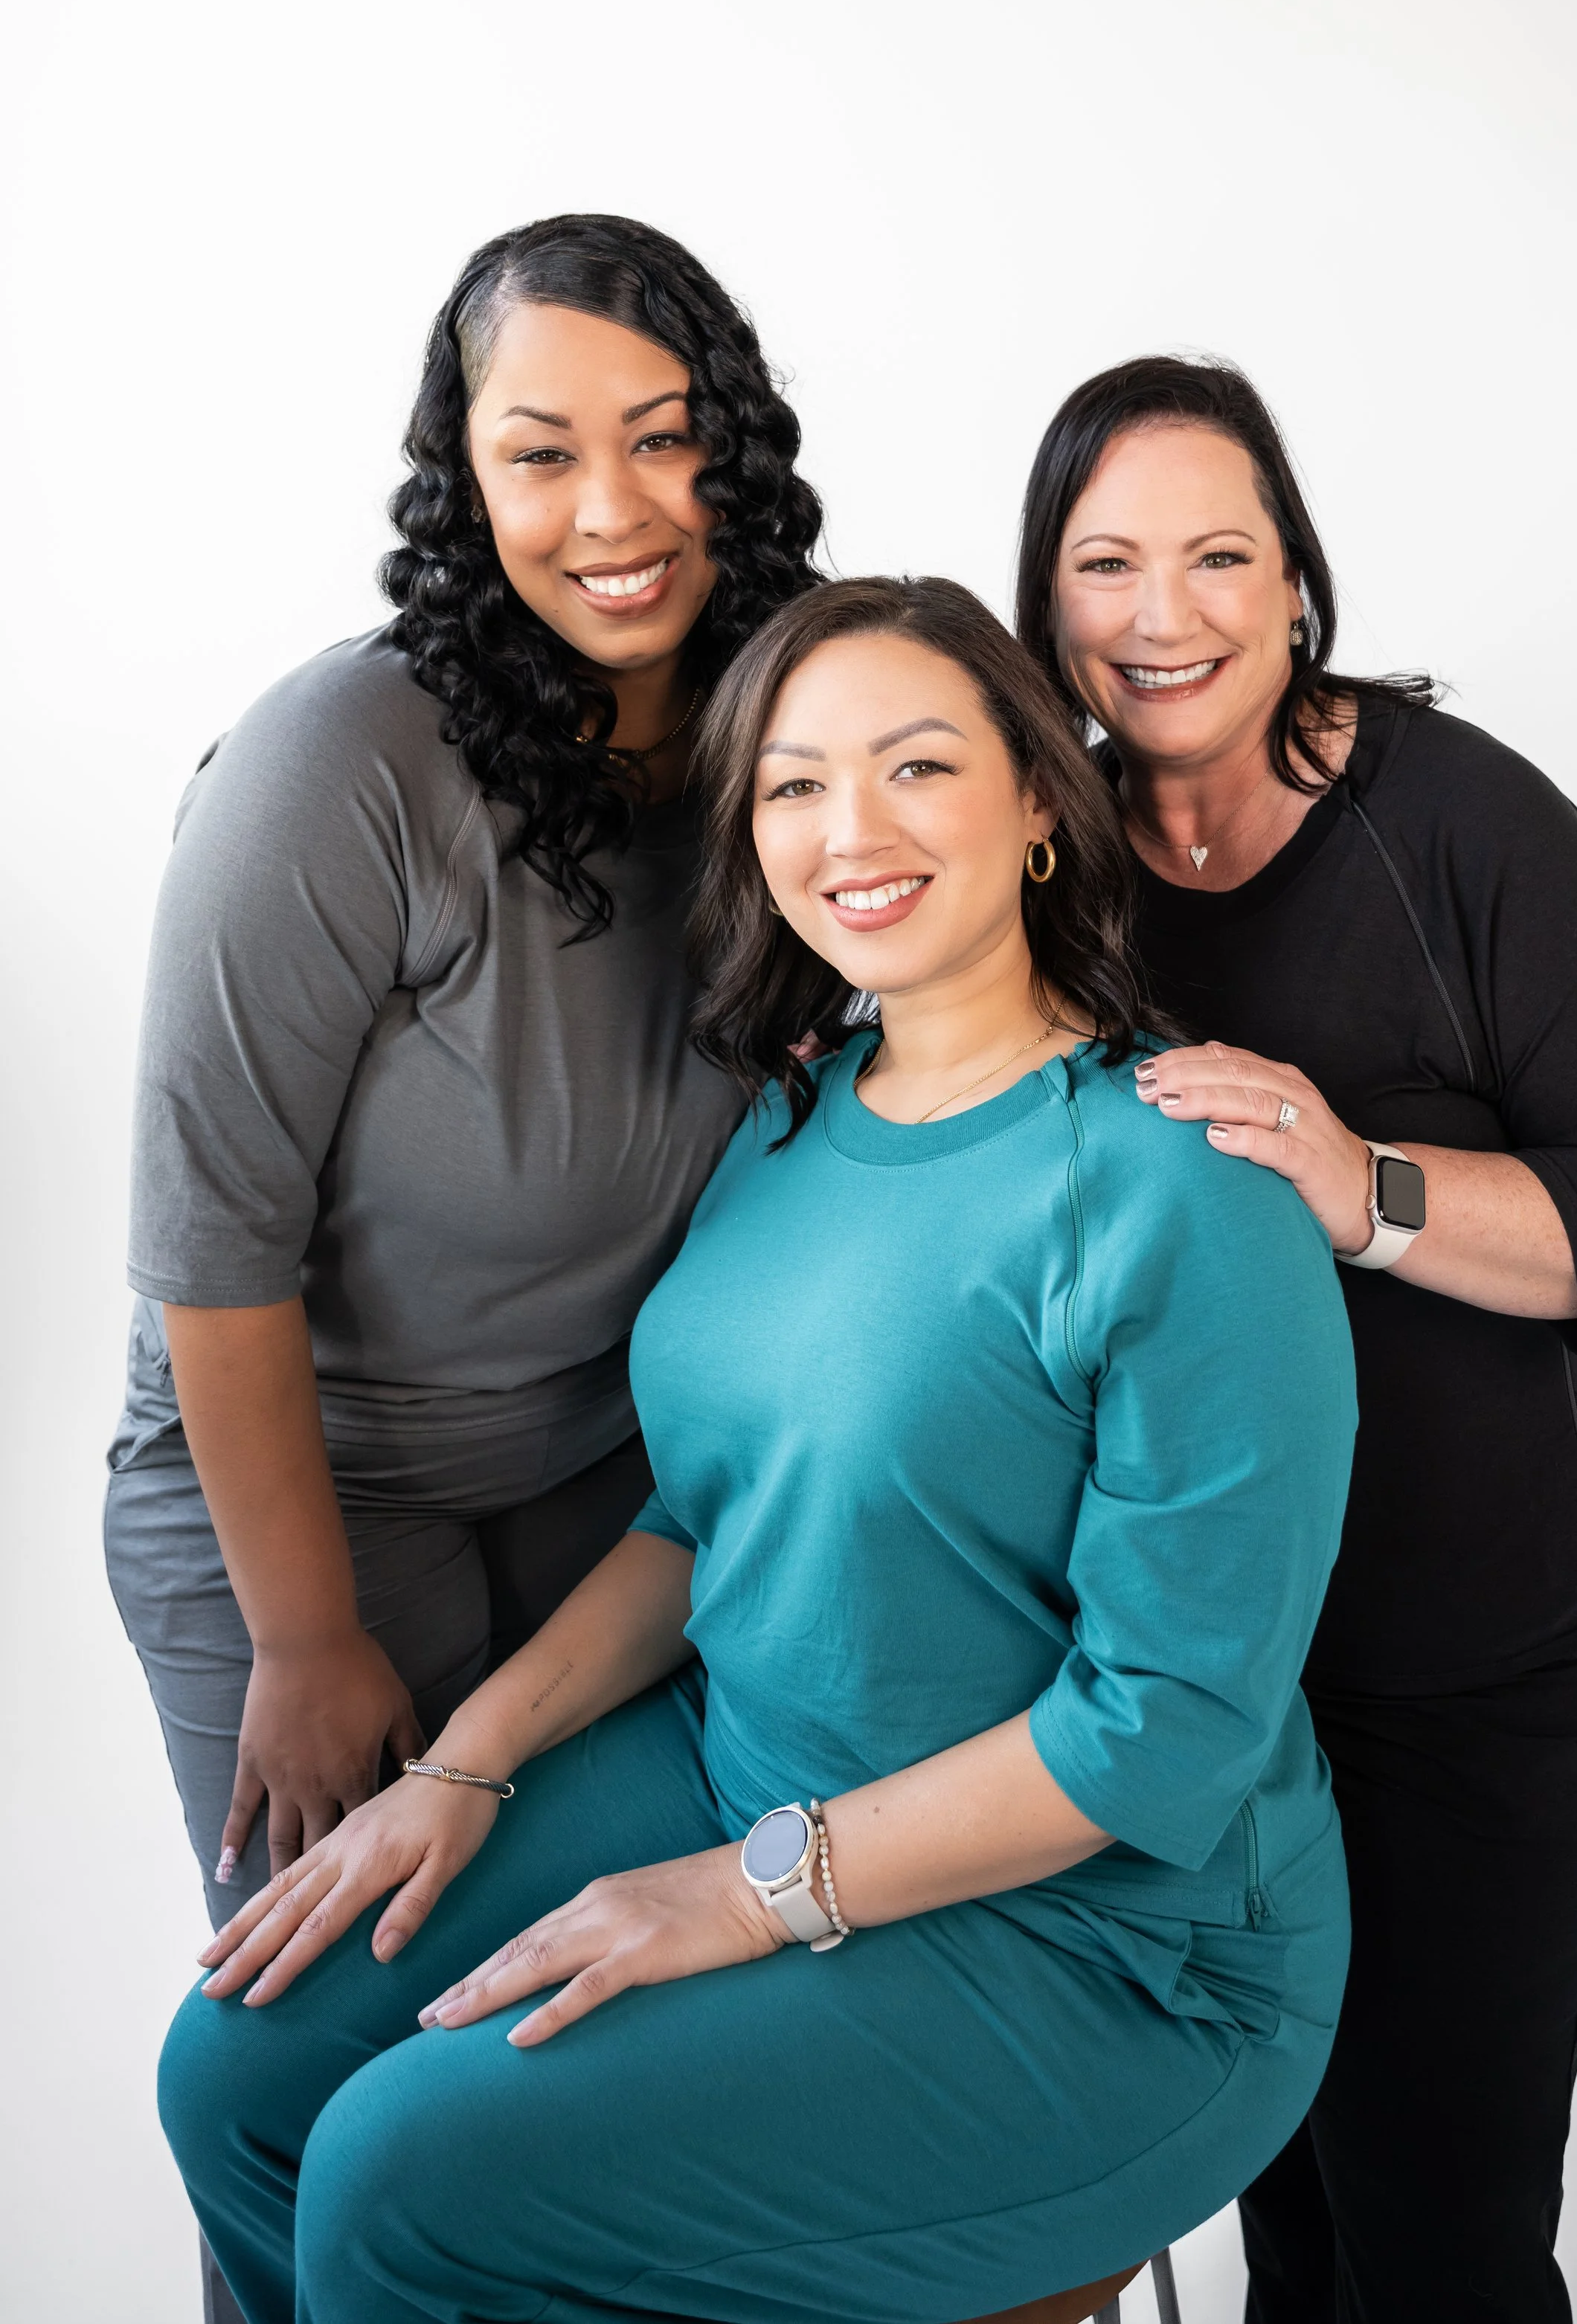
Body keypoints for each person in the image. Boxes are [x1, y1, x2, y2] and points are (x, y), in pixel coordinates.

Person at [156, 575, 1358, 2324]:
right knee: (239, 2084)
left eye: (917, 767)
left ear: (1039, 804)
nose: (846, 829)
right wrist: (457, 1771)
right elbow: (696, 1516)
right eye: (792, 784)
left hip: (1111, 1947)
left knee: (403, 2182)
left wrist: (741, 1899)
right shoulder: (795, 1116)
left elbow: (1161, 1738)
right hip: (751, 1771)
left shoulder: (1178, 1186)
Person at [106, 213, 822, 2312]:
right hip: (309, 1497)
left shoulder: (777, 738)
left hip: (606, 1481)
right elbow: (209, 1255)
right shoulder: (346, 760)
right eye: (539, 453)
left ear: (736, 457)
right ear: (461, 477)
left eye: (663, 440)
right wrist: (308, 1642)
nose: (610, 514)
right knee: (318, 2065)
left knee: (571, 2061)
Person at [1015, 356, 1577, 2324]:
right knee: (1288, 2204)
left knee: (1435, 2230)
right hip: (1218, 1652)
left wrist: (1366, 1188)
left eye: (1214, 555)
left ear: (1295, 586)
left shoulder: (1457, 826)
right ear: (1045, 605)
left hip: (1477, 1626)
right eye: (1107, 564)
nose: (1162, 614)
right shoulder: (1044, 858)